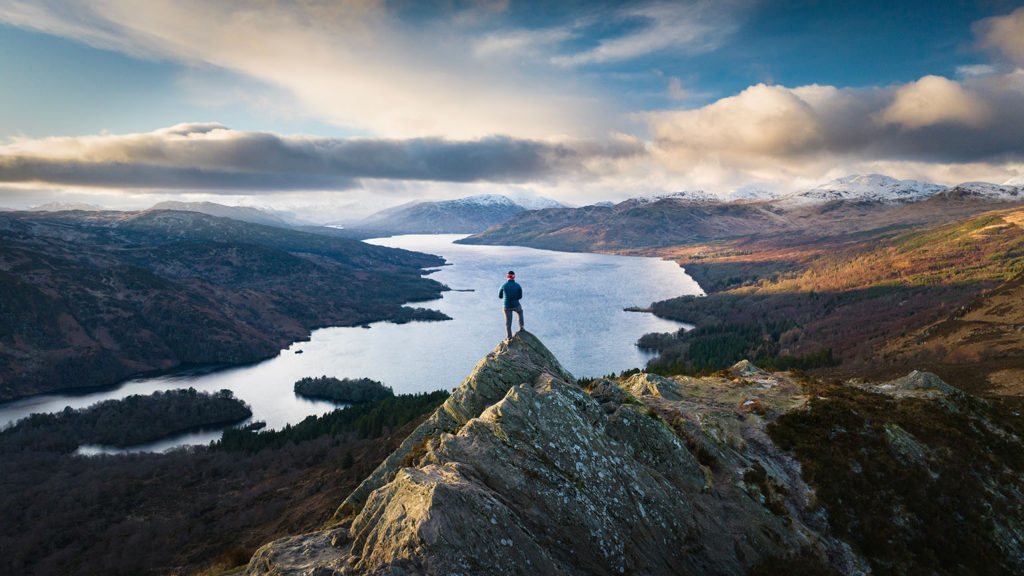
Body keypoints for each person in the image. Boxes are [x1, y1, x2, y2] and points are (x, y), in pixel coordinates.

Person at [499, 270, 524, 341]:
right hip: (516, 304)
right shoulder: (518, 286)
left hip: (506, 306)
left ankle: (509, 338)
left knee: (508, 322)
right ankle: (521, 327)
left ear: (507, 277)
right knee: (520, 312)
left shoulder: (503, 285)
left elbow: (500, 296)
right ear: (514, 277)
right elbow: (520, 297)